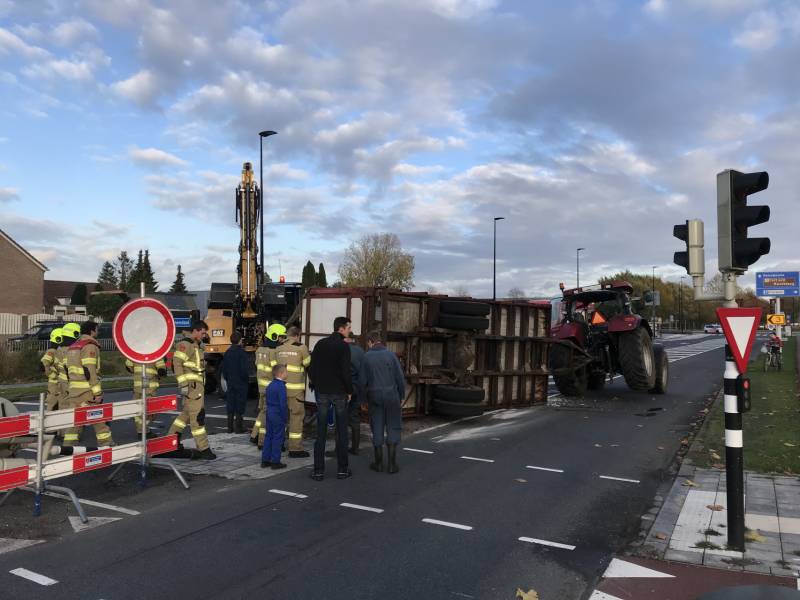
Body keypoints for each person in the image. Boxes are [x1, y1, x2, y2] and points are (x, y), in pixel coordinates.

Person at [308, 316, 353, 480]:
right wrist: (349, 391)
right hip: (339, 392)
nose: (349, 330)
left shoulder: (320, 344)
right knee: (341, 432)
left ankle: (318, 471)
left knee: (320, 433)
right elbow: (346, 372)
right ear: (341, 329)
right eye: (348, 327)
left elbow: (311, 369)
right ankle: (342, 469)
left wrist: (317, 384)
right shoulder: (343, 347)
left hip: (322, 392)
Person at [167, 321, 216, 460]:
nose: (204, 335)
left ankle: (171, 441)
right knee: (198, 418)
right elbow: (176, 364)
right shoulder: (186, 344)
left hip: (195, 387)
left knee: (185, 416)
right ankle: (204, 448)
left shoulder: (195, 345)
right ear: (195, 330)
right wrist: (183, 384)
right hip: (193, 388)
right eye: (203, 332)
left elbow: (194, 365)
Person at [63, 321, 115, 447]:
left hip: (74, 390)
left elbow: (66, 368)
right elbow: (90, 370)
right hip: (86, 391)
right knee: (98, 418)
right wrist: (97, 392)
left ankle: (68, 445)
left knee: (75, 420)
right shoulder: (90, 346)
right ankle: (106, 443)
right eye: (97, 329)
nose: (98, 331)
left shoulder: (73, 346)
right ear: (92, 331)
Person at [363, 330, 405, 474]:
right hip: (392, 395)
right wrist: (402, 395)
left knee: (377, 426)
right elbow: (400, 377)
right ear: (380, 340)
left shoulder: (366, 357)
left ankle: (378, 463)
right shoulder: (391, 355)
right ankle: (392, 465)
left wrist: (363, 400)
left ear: (370, 342)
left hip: (374, 396)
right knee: (393, 425)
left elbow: (362, 381)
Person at [326, 332, 366, 457]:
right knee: (354, 417)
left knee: (340, 419)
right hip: (357, 389)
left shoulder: (341, 350)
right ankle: (355, 448)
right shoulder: (361, 351)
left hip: (343, 389)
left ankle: (338, 450)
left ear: (347, 339)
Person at [275, 326, 311, 458]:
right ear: (297, 336)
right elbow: (307, 363)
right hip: (295, 392)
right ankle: (295, 449)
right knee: (296, 418)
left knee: (280, 418)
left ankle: (278, 444)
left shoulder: (278, 349)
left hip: (280, 390)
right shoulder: (301, 347)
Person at [251, 324, 287, 447]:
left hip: (261, 387)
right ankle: (262, 441)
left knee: (262, 411)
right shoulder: (274, 352)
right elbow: (276, 370)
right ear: (275, 336)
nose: (282, 340)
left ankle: (254, 435)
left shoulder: (259, 350)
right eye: (281, 337)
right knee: (267, 416)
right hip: (271, 388)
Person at [125, 355, 167, 438]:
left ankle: (142, 431)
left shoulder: (136, 351)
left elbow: (128, 365)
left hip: (137, 386)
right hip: (149, 387)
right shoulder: (155, 351)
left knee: (138, 410)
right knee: (149, 410)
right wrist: (161, 372)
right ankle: (144, 431)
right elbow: (161, 369)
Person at [261, 364, 288, 470]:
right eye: (286, 372)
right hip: (277, 414)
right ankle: (275, 462)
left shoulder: (270, 385)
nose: (287, 373)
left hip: (269, 412)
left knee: (269, 436)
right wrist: (285, 417)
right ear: (281, 374)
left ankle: (265, 460)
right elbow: (283, 404)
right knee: (278, 437)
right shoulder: (281, 386)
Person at [222, 331, 250, 433]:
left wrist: (228, 378)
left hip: (230, 381)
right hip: (240, 382)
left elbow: (224, 370)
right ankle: (239, 427)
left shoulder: (227, 353)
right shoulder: (242, 353)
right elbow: (244, 370)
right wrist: (246, 379)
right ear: (239, 340)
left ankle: (229, 427)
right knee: (240, 404)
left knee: (230, 403)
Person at [41, 328, 63, 411]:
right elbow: (43, 365)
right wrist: (52, 375)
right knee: (53, 406)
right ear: (58, 339)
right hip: (54, 385)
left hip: (61, 384)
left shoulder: (60, 351)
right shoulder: (52, 351)